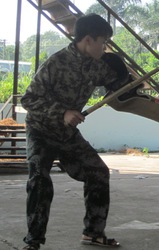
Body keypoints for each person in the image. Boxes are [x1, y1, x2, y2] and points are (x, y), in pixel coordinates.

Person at [21, 14, 123, 249]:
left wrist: (124, 79)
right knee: (39, 180)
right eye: (103, 41)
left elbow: (116, 83)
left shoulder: (97, 67)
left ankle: (93, 233)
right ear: (88, 40)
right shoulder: (56, 63)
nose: (104, 47)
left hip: (67, 135)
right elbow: (29, 99)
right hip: (41, 130)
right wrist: (63, 112)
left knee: (98, 172)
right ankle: (33, 241)